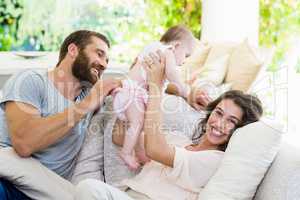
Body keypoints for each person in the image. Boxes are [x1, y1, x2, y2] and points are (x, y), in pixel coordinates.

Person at [74, 51, 263, 200]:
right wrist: (135, 92)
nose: (219, 124)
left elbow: (156, 150)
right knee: (86, 189)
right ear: (210, 113)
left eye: (231, 121)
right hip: (126, 194)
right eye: (219, 113)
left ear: (239, 131)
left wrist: (156, 85)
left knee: (89, 189)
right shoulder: (178, 140)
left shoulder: (215, 160)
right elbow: (118, 136)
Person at [0, 30, 121, 199]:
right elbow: (24, 144)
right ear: (73, 50)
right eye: (99, 54)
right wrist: (85, 105)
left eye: (107, 60)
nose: (104, 64)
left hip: (47, 192)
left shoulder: (91, 97)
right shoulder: (30, 81)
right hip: (9, 184)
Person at [112, 25, 199, 170]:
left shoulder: (152, 48)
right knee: (138, 123)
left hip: (129, 93)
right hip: (132, 94)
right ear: (177, 45)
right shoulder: (167, 51)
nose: (184, 61)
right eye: (186, 55)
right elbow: (172, 74)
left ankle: (139, 152)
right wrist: (184, 89)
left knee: (140, 125)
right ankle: (126, 152)